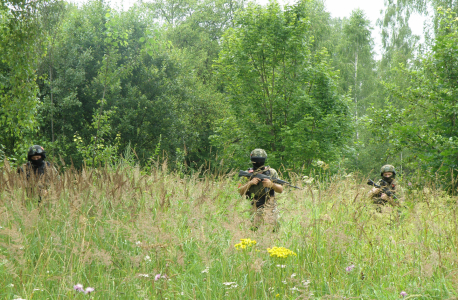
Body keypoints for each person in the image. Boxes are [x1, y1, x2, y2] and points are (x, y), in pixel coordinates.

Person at [238, 149, 283, 231]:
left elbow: (280, 189)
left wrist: (271, 184)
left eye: (260, 160)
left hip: (270, 203)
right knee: (255, 228)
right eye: (256, 160)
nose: (258, 163)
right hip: (254, 204)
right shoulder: (247, 174)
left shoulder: (271, 172)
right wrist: (250, 183)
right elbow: (240, 192)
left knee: (274, 228)